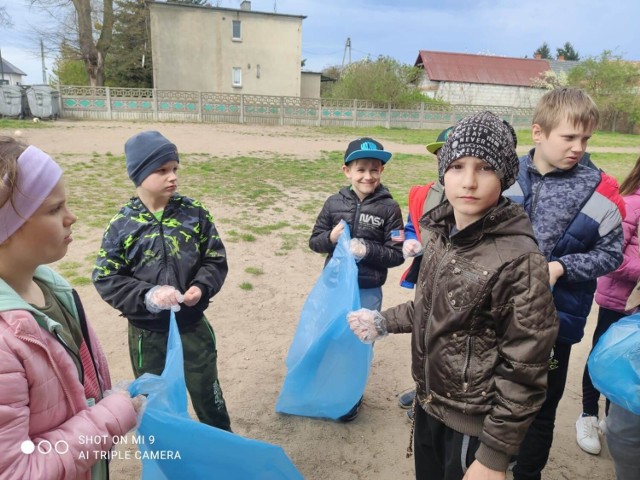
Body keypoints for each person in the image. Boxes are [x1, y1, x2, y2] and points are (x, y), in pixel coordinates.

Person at [347, 111, 559, 479]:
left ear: (505, 175)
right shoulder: (443, 236)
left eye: (485, 168)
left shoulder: (520, 260)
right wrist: (384, 321)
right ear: (443, 170)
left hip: (473, 427)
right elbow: (434, 310)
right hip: (430, 407)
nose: (469, 181)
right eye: (458, 166)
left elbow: (525, 366)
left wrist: (493, 456)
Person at [0, 136, 141, 479]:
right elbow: (17, 470)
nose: (71, 217)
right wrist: (114, 412)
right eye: (54, 209)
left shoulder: (51, 287)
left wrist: (102, 396)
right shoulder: (5, 344)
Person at [501, 87, 625, 480]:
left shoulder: (600, 188)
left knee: (540, 404)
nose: (578, 147)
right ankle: (493, 460)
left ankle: (528, 472)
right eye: (569, 137)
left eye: (585, 139)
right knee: (496, 391)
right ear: (538, 132)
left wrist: (562, 268)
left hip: (556, 321)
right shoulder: (505, 174)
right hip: (499, 313)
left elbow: (611, 254)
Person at [92, 131, 231, 431]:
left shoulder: (195, 213)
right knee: (154, 402)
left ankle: (222, 448)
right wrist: (148, 294)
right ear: (139, 175)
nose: (172, 177)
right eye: (162, 170)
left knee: (208, 393)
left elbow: (215, 259)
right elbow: (106, 277)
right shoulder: (122, 225)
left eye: (174, 169)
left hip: (192, 325)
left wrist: (201, 287)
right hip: (147, 335)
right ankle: (168, 458)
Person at [309, 136, 404, 422]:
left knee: (360, 342)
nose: (367, 176)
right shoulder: (333, 203)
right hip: (335, 288)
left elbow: (397, 254)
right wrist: (331, 237)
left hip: (368, 289)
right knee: (333, 339)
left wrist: (367, 249)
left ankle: (351, 397)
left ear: (381, 172)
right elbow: (314, 242)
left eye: (374, 169)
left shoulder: (389, 208)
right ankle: (328, 388)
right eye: (360, 169)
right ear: (346, 171)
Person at [575, 154, 640, 455]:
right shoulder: (631, 204)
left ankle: (614, 419)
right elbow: (611, 257)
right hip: (620, 300)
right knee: (603, 354)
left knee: (630, 362)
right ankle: (588, 414)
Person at [397, 127, 452, 414]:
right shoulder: (423, 194)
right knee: (423, 336)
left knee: (447, 340)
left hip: (457, 286)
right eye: (443, 155)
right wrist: (410, 240)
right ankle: (423, 389)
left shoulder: (474, 197)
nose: (449, 162)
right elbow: (410, 226)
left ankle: (435, 398)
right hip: (426, 280)